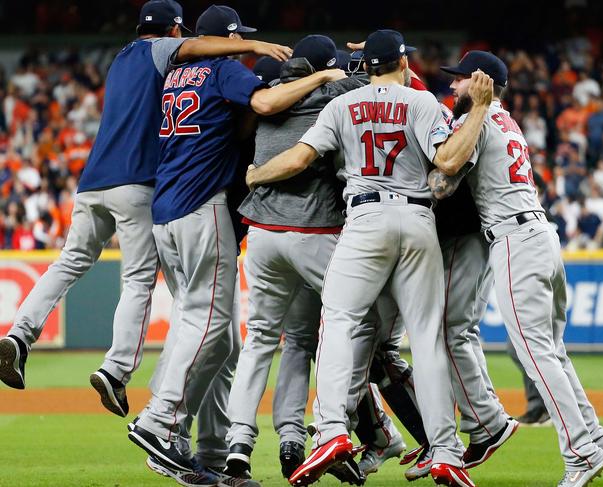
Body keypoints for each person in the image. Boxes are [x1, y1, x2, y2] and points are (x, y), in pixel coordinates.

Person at [0, 0, 293, 421]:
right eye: (183, 32)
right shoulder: (159, 52)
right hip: (135, 183)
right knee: (138, 279)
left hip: (91, 183)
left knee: (68, 263)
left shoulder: (120, 60)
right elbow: (195, 49)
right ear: (174, 30)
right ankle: (117, 370)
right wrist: (257, 45)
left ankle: (19, 336)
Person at [246, 29, 494, 487]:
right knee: (425, 339)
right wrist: (479, 108)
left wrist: (258, 174)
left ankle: (332, 431)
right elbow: (449, 162)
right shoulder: (421, 103)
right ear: (402, 64)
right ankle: (444, 451)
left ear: (366, 66)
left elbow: (299, 158)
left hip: (363, 218)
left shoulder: (341, 104)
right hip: (418, 220)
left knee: (339, 321)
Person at [125, 18, 346, 485]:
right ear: (224, 38)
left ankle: (204, 450)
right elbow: (265, 101)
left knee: (222, 338)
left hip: (166, 210)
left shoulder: (175, 75)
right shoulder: (222, 68)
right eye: (236, 36)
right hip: (200, 205)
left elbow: (244, 116)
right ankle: (160, 420)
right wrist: (322, 76)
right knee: (211, 324)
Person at [430, 50, 603, 487]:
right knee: (553, 350)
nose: (453, 86)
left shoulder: (476, 120)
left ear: (479, 82)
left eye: (460, 80)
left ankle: (580, 453)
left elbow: (444, 177)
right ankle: (594, 433)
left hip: (515, 239)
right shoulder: (508, 121)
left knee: (536, 354)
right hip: (541, 234)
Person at [224, 33, 367, 481]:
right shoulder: (336, 94)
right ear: (327, 67)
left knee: (262, 337)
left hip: (263, 234)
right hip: (314, 233)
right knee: (345, 327)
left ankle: (239, 443)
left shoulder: (269, 91)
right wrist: (363, 62)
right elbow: (380, 84)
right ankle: (323, 435)